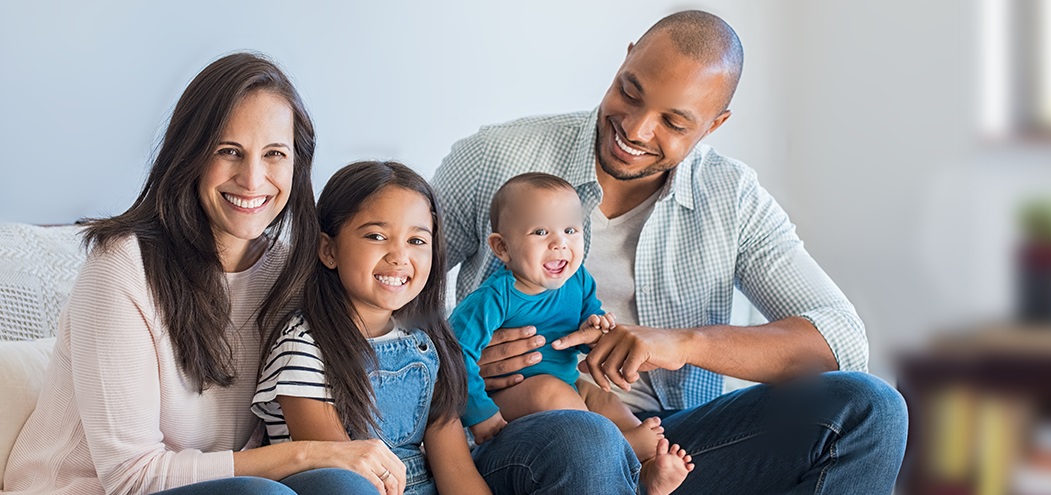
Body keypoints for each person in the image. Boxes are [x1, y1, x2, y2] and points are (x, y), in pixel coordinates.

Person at [432, 10, 908, 494]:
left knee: (871, 407)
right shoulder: (496, 159)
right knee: (586, 438)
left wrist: (683, 345)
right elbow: (395, 291)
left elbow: (842, 341)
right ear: (626, 59)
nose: (636, 129)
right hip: (524, 433)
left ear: (714, 125)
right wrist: (454, 363)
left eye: (673, 122)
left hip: (663, 444)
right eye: (630, 92)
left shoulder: (732, 197)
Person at [2, 53, 395, 495]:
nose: (253, 179)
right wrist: (306, 454)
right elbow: (131, 478)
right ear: (190, 155)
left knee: (343, 484)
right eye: (229, 151)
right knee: (262, 493)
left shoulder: (290, 273)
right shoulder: (121, 267)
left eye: (274, 154)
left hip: (232, 488)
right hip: (86, 490)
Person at [249, 161, 489, 495]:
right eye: (377, 236)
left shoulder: (427, 345)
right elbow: (341, 472)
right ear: (329, 250)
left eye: (417, 240)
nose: (399, 256)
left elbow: (457, 472)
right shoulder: (303, 345)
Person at [447, 173, 693, 494]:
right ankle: (623, 448)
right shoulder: (493, 298)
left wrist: (598, 330)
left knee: (601, 397)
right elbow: (454, 355)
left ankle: (646, 470)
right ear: (502, 247)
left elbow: (590, 322)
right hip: (509, 397)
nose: (559, 243)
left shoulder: (578, 281)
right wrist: (481, 414)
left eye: (570, 230)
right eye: (540, 232)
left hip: (568, 386)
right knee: (549, 390)